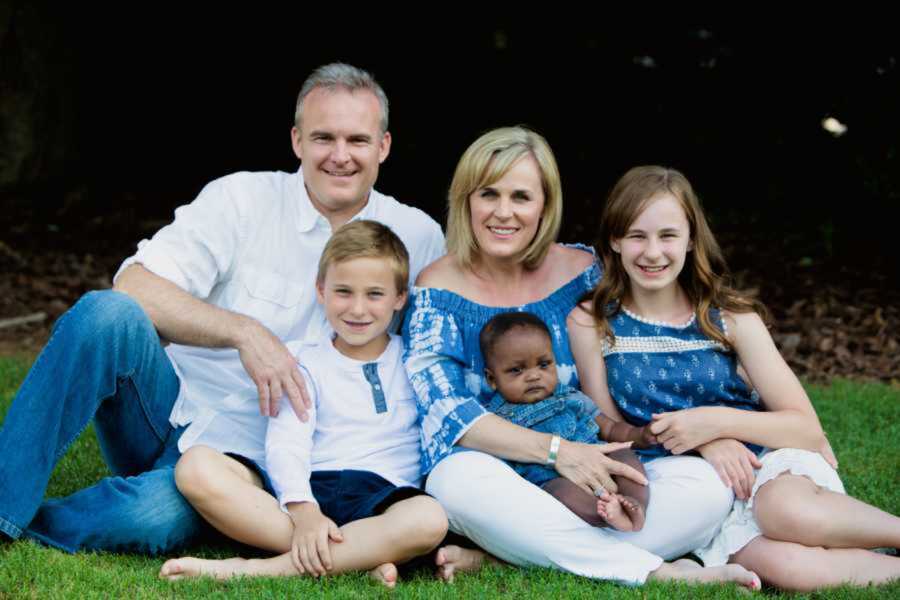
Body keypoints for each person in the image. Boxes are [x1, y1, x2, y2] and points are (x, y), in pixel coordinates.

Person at [0, 62, 444, 555]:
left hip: (266, 465)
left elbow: (442, 352)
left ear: (383, 146)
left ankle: (53, 522)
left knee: (150, 518)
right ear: (297, 140)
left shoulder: (417, 236)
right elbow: (136, 284)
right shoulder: (241, 199)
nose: (340, 156)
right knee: (106, 314)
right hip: (171, 412)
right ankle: (3, 509)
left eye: (357, 140)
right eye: (323, 138)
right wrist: (243, 332)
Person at [403, 126, 760, 588]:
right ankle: (659, 573)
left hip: (603, 466)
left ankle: (510, 557)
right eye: (488, 193)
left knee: (707, 489)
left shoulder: (584, 271)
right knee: (454, 481)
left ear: (546, 205)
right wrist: (558, 453)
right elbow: (449, 415)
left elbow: (643, 362)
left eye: (521, 196)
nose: (503, 212)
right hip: (503, 472)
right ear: (465, 200)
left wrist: (699, 435)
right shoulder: (437, 289)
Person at [567, 164, 900, 591]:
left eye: (668, 235)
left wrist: (716, 424)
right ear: (614, 241)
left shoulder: (728, 316)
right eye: (637, 236)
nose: (653, 252)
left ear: (690, 240)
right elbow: (608, 428)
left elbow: (804, 425)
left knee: (784, 513)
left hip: (764, 464)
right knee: (794, 572)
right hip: (688, 484)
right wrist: (701, 440)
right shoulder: (592, 321)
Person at [159, 220, 447, 587]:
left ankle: (258, 569)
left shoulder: (415, 360)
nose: (358, 309)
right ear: (321, 291)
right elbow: (286, 441)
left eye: (375, 294)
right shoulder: (301, 361)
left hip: (384, 497)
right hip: (311, 488)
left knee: (429, 518)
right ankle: (360, 554)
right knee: (196, 467)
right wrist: (304, 508)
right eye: (343, 291)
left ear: (400, 298)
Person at [479, 311, 647, 531]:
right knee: (560, 493)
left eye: (543, 364)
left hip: (595, 454)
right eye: (517, 370)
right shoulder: (496, 418)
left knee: (623, 456)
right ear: (492, 379)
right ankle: (603, 514)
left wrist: (639, 435)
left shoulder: (569, 396)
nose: (533, 376)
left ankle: (635, 503)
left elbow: (608, 426)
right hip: (550, 476)